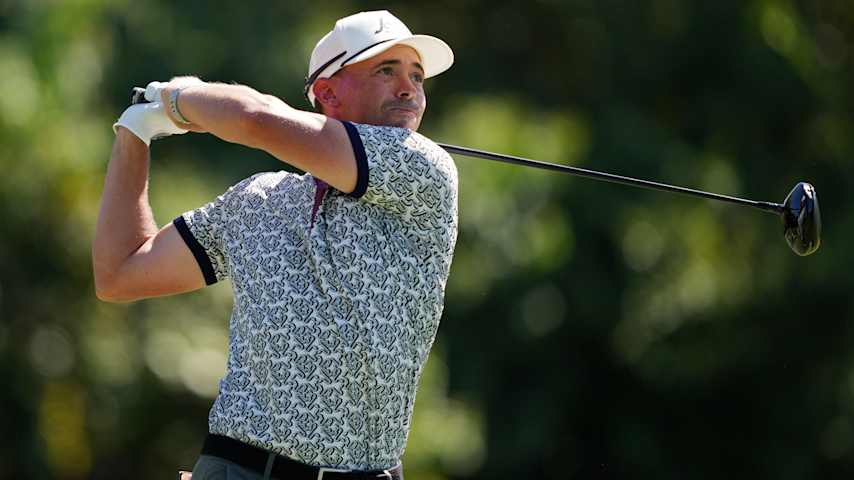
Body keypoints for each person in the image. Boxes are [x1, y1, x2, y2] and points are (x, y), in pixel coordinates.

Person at [92, 10, 458, 480]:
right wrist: (134, 134)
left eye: (416, 76)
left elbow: (255, 118)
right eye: (385, 71)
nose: (409, 89)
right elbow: (119, 273)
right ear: (327, 93)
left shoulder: (424, 171)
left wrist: (174, 96)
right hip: (232, 467)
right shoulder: (259, 199)